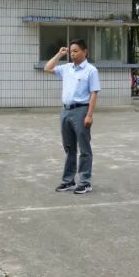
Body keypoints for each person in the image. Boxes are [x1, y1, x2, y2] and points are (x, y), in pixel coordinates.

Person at [44, 39, 100, 194]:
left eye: (76, 51)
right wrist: (59, 54)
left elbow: (94, 93)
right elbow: (47, 68)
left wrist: (89, 115)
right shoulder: (67, 68)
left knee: (84, 148)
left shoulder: (91, 70)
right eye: (71, 51)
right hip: (66, 111)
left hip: (81, 111)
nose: (72, 54)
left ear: (85, 51)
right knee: (69, 148)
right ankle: (68, 181)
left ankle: (85, 182)